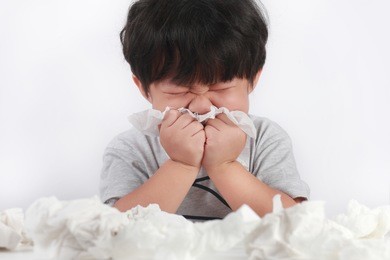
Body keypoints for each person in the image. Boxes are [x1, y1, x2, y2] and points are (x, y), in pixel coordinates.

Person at [100, 0, 310, 221]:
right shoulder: (130, 149)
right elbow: (113, 230)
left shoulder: (264, 139)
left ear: (253, 79)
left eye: (220, 86)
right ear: (143, 88)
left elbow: (297, 222)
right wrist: (181, 165)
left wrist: (224, 166)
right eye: (179, 90)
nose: (201, 106)